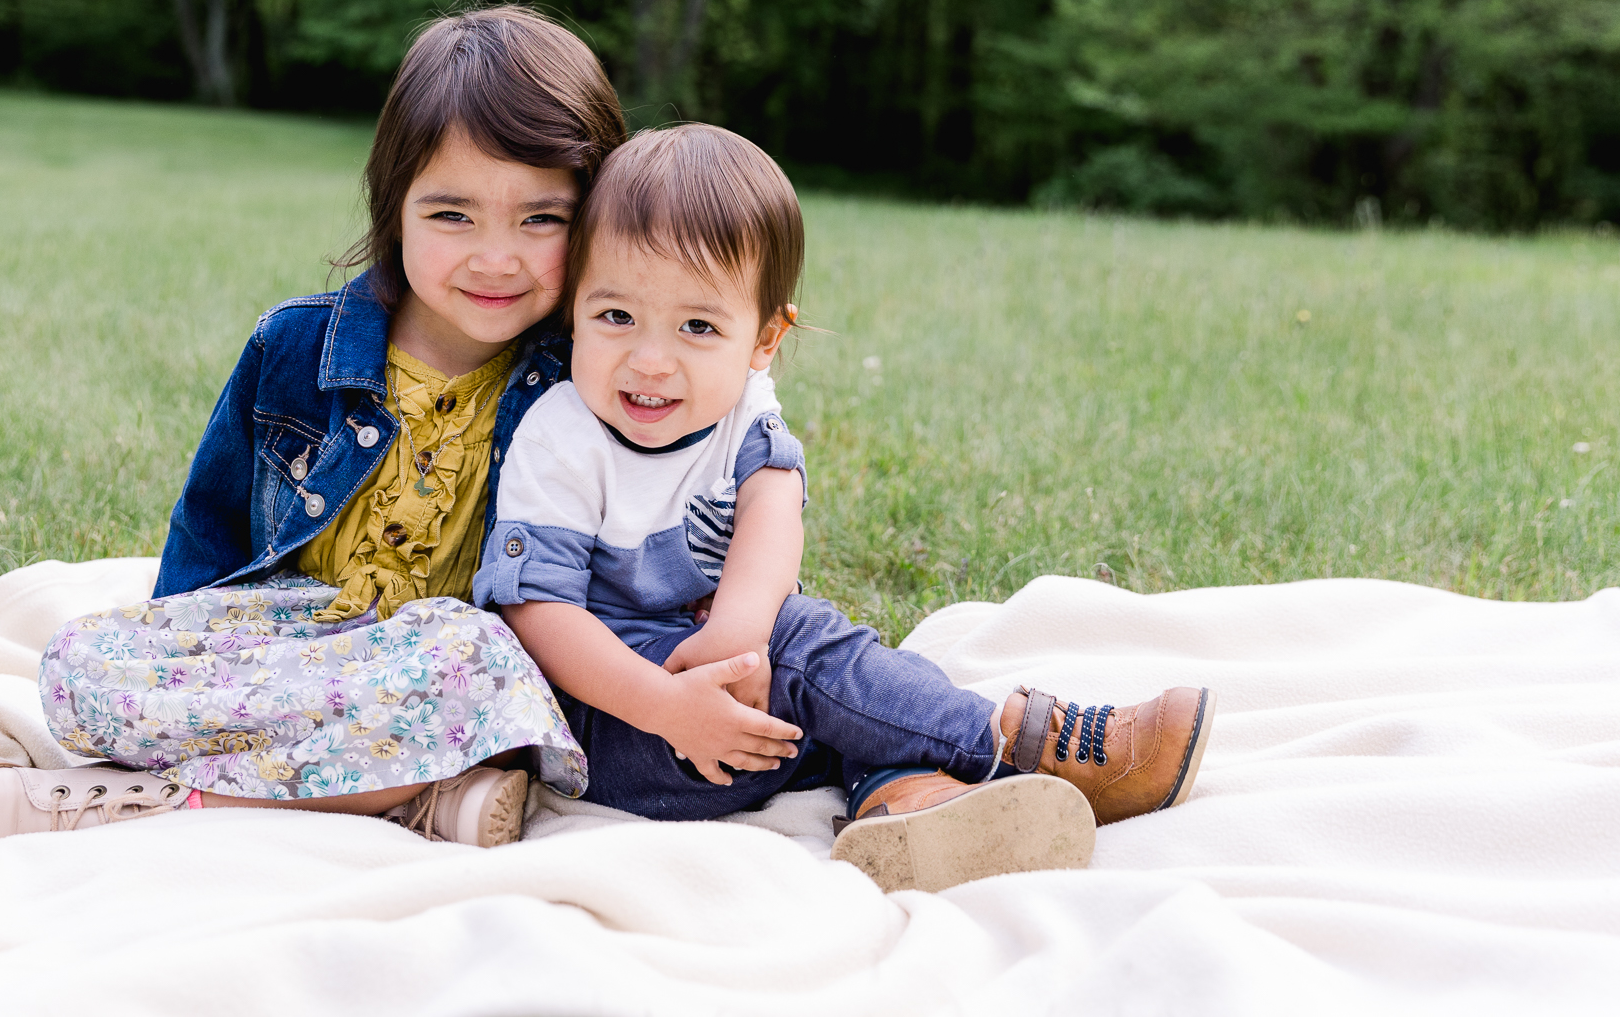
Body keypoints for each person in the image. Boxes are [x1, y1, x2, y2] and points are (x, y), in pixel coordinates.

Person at [0, 6, 627, 847]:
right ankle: (415, 798)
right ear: (393, 205)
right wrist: (182, 659)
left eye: (541, 219)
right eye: (452, 215)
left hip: (444, 679)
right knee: (80, 663)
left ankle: (166, 805)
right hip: (288, 651)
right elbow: (210, 535)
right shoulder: (298, 347)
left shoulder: (586, 376)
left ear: (594, 221)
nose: (496, 258)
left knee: (472, 648)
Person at [477, 124, 1217, 892]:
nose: (651, 359)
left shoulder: (741, 408)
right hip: (626, 728)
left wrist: (740, 628)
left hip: (740, 703)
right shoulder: (561, 435)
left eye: (699, 326)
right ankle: (1018, 742)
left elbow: (774, 504)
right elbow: (539, 614)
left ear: (764, 337)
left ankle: (904, 802)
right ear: (574, 312)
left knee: (859, 679)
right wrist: (671, 705)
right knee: (814, 653)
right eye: (615, 317)